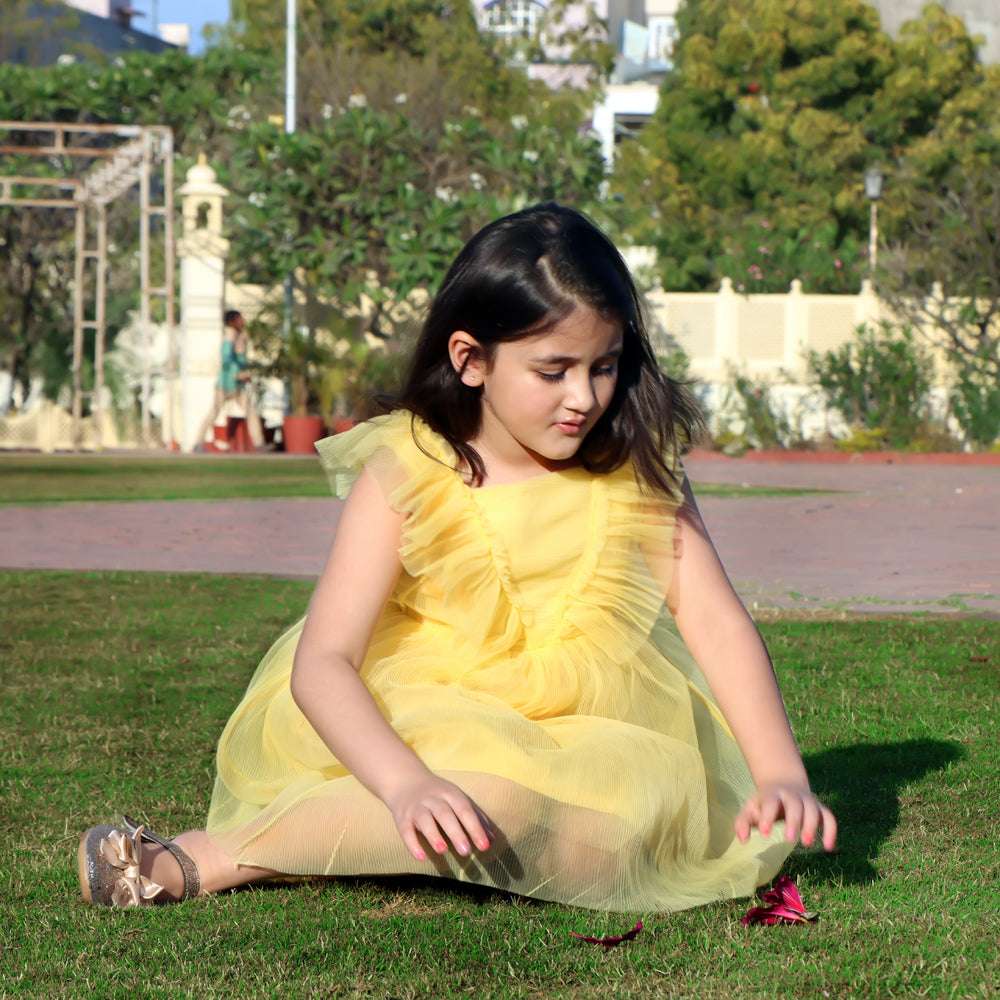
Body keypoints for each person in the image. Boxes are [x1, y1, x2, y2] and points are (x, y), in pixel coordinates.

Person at [79, 203, 836, 913]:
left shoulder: (635, 469)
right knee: (485, 800)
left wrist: (780, 773)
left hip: (589, 739)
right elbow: (324, 663)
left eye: (604, 366)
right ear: (471, 360)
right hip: (430, 715)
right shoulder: (411, 468)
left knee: (623, 835)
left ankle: (388, 838)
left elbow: (715, 622)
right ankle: (210, 857)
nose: (584, 397)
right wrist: (404, 782)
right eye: (553, 371)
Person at [195, 309, 265, 451]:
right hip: (225, 384)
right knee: (213, 413)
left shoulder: (241, 338)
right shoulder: (229, 338)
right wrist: (238, 374)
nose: (242, 321)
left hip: (238, 386)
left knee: (251, 412)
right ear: (231, 322)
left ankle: (259, 445)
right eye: (238, 319)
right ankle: (198, 443)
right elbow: (227, 360)